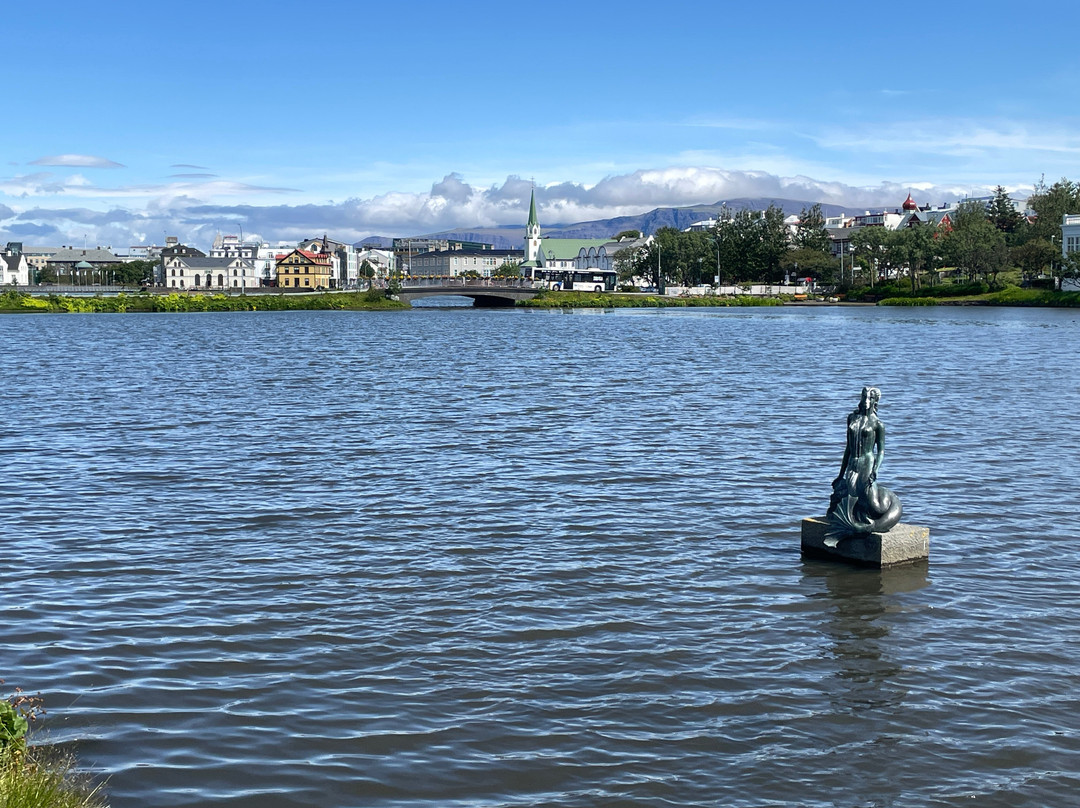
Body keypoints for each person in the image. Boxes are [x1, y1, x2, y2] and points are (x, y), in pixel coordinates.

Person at [827, 387, 902, 534]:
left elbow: (881, 451)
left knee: (874, 506)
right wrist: (840, 474)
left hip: (867, 462)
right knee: (852, 495)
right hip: (852, 463)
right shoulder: (851, 418)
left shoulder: (878, 424)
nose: (866, 401)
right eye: (864, 397)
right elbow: (848, 448)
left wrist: (876, 470)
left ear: (875, 401)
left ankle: (885, 497)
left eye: (869, 398)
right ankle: (852, 518)